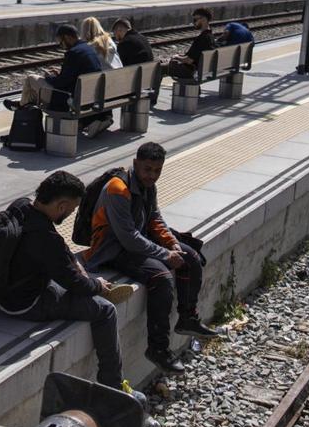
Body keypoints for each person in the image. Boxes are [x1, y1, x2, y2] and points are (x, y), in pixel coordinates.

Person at [83, 141, 218, 374]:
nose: (152, 175)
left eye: (157, 171)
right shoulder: (118, 189)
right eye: (147, 169)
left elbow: (154, 217)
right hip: (112, 250)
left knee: (191, 257)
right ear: (136, 164)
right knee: (161, 276)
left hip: (136, 241)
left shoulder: (148, 186)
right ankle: (158, 348)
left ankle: (187, 317)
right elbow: (128, 238)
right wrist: (165, 254)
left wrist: (172, 244)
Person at [0, 171, 129, 389]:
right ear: (62, 206)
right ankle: (112, 384)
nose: (71, 213)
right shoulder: (47, 240)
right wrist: (97, 285)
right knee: (105, 310)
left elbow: (60, 250)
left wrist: (74, 265)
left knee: (74, 275)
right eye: (72, 209)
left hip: (1, 292)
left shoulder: (21, 206)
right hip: (25, 304)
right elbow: (75, 283)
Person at [7, 22, 103, 112]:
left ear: (67, 37)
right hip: (89, 97)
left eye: (61, 42)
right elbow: (73, 75)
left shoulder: (73, 53)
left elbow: (60, 83)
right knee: (32, 94)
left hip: (68, 99)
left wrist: (49, 77)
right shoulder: (88, 48)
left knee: (31, 79)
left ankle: (20, 107)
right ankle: (22, 105)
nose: (61, 45)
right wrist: (59, 74)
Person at [79, 16, 122, 138]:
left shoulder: (90, 47)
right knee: (99, 82)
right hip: (121, 86)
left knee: (84, 86)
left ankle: (92, 121)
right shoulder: (110, 41)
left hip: (104, 89)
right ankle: (105, 117)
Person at [166, 6, 215, 80]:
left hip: (190, 71)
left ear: (204, 19)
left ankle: (154, 90)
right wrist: (180, 56)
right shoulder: (210, 36)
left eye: (195, 19)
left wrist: (176, 57)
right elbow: (193, 56)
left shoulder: (202, 38)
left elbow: (189, 60)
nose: (194, 22)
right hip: (201, 70)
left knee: (159, 68)